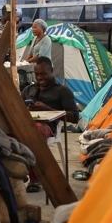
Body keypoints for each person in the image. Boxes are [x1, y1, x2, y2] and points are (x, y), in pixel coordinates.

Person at [21, 56, 79, 192]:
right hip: (25, 124)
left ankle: (36, 178)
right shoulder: (29, 90)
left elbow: (75, 117)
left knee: (35, 131)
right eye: (37, 74)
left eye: (43, 74)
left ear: (52, 71)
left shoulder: (62, 91)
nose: (40, 78)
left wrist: (47, 109)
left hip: (47, 127)